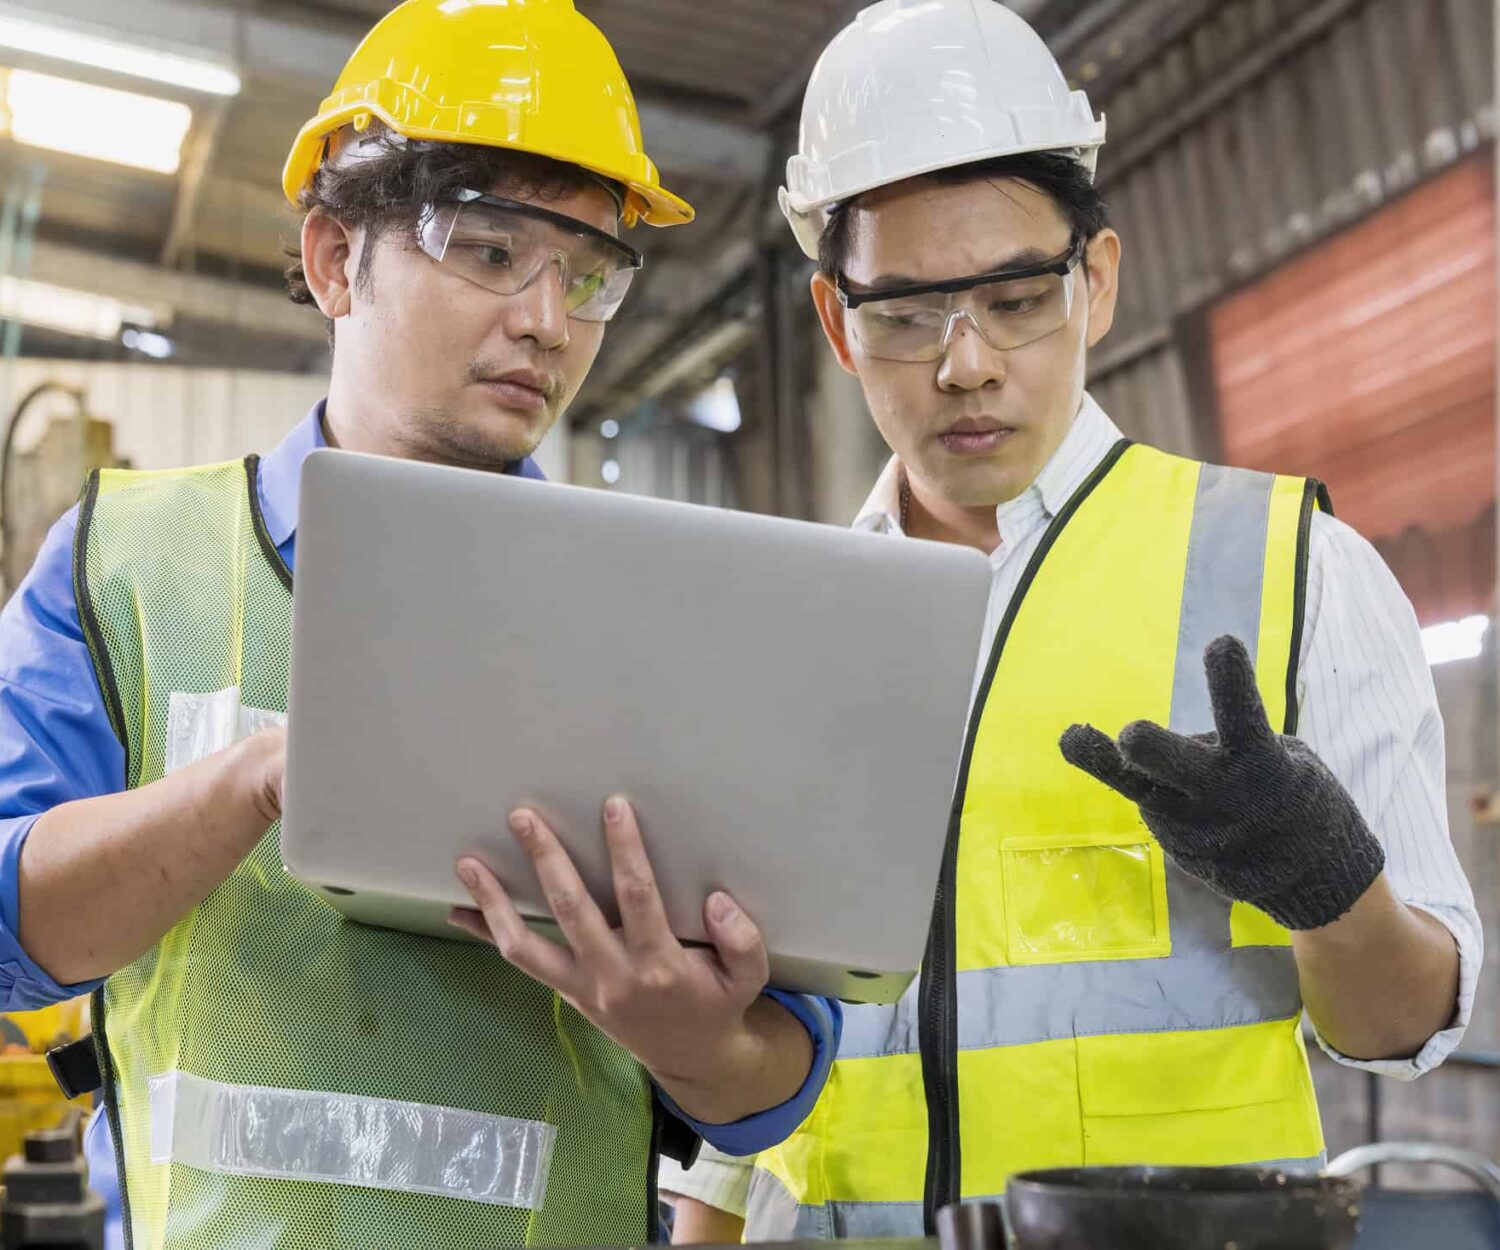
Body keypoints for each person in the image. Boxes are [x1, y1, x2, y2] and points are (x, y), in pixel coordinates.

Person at [0, 2, 839, 1246]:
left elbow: (784, 1070)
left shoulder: (659, 613)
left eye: (588, 275)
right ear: (335, 259)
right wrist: (253, 784)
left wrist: (698, 1037)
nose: (548, 320)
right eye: (493, 250)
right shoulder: (126, 563)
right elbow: (10, 934)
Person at [662, 0, 1480, 1240]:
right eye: (906, 314)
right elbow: (738, 1108)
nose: (966, 364)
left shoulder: (1292, 568)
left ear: (1094, 281)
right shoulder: (784, 623)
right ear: (836, 323)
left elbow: (1403, 1027)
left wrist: (1333, 892)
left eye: (1013, 298)